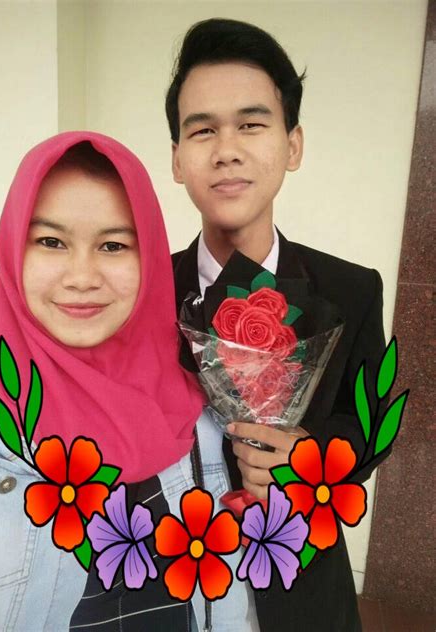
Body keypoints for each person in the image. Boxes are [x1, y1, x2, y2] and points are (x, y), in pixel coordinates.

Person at [165, 18, 388, 631]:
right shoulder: (142, 291)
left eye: (251, 123)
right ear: (178, 159)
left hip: (302, 586)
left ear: (292, 145)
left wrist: (313, 456)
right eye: (202, 129)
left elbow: (371, 422)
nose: (226, 149)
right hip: (175, 580)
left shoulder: (352, 289)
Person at [0, 132, 204, 631]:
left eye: (113, 245)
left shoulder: (206, 413)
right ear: (12, 250)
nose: (82, 277)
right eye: (51, 242)